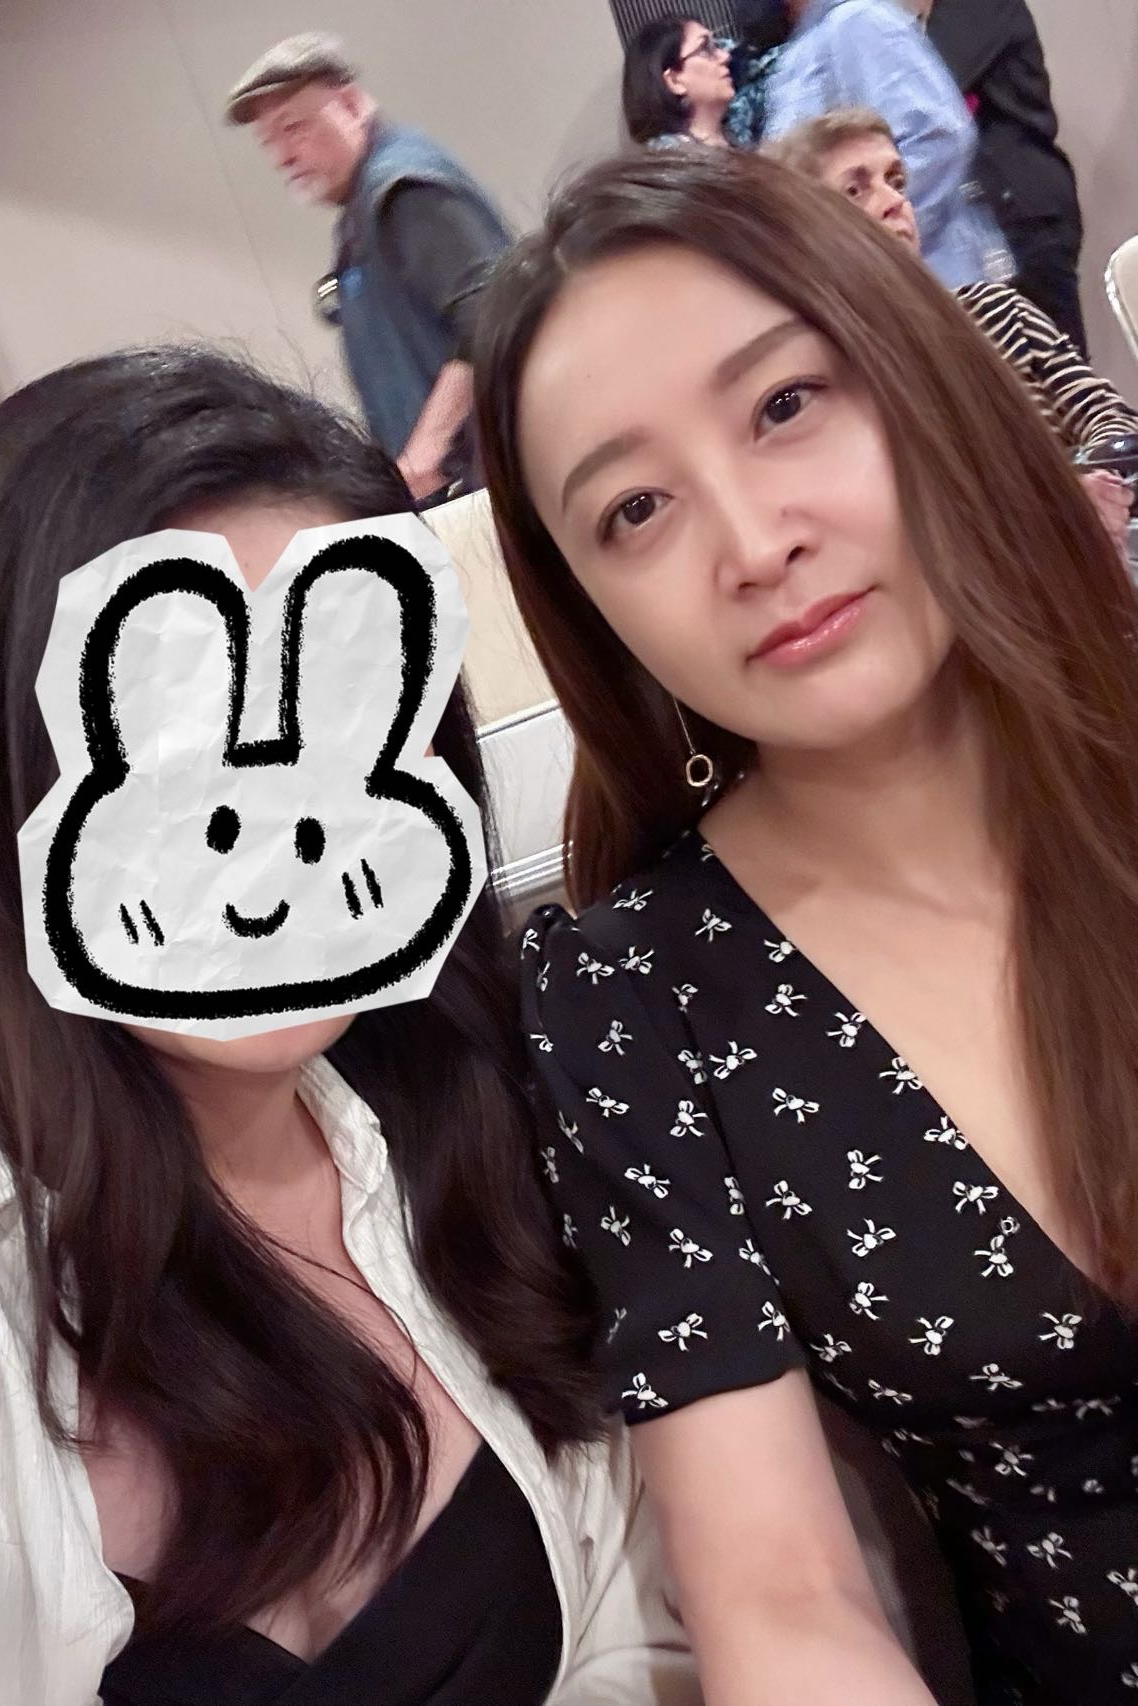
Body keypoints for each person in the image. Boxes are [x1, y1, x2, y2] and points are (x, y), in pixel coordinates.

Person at [0, 345, 700, 1706]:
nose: (266, 847)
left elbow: (633, 1599)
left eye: (341, 729)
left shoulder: (473, 1103)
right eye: (180, 744)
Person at [473, 146, 1138, 1703]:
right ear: (589, 605)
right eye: (634, 508)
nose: (751, 539)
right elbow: (779, 1598)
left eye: (782, 405)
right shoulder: (628, 996)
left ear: (909, 377)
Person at [767, 107, 1136, 555]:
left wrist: (1091, 482)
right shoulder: (833, 388)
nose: (893, 201)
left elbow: (1110, 418)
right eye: (855, 191)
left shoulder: (996, 310)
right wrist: (1062, 508)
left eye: (896, 181)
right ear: (805, 238)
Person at [225, 33, 510, 505]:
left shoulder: (405, 189)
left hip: (487, 489)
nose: (282, 157)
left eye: (293, 128)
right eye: (268, 141)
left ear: (352, 105)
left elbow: (495, 312)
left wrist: (425, 454)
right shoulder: (361, 208)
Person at [763, 0, 1006, 289]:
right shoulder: (795, 56)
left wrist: (872, 238)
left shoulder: (857, 22)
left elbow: (937, 140)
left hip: (932, 281)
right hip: (858, 294)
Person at [924, 0, 1087, 356]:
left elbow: (927, 93)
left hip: (1020, 215)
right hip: (1003, 218)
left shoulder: (971, 8)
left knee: (1057, 375)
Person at [622, 17, 736, 147]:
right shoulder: (669, 157)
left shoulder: (738, 137)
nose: (725, 56)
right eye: (704, 49)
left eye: (716, 46)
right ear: (674, 81)